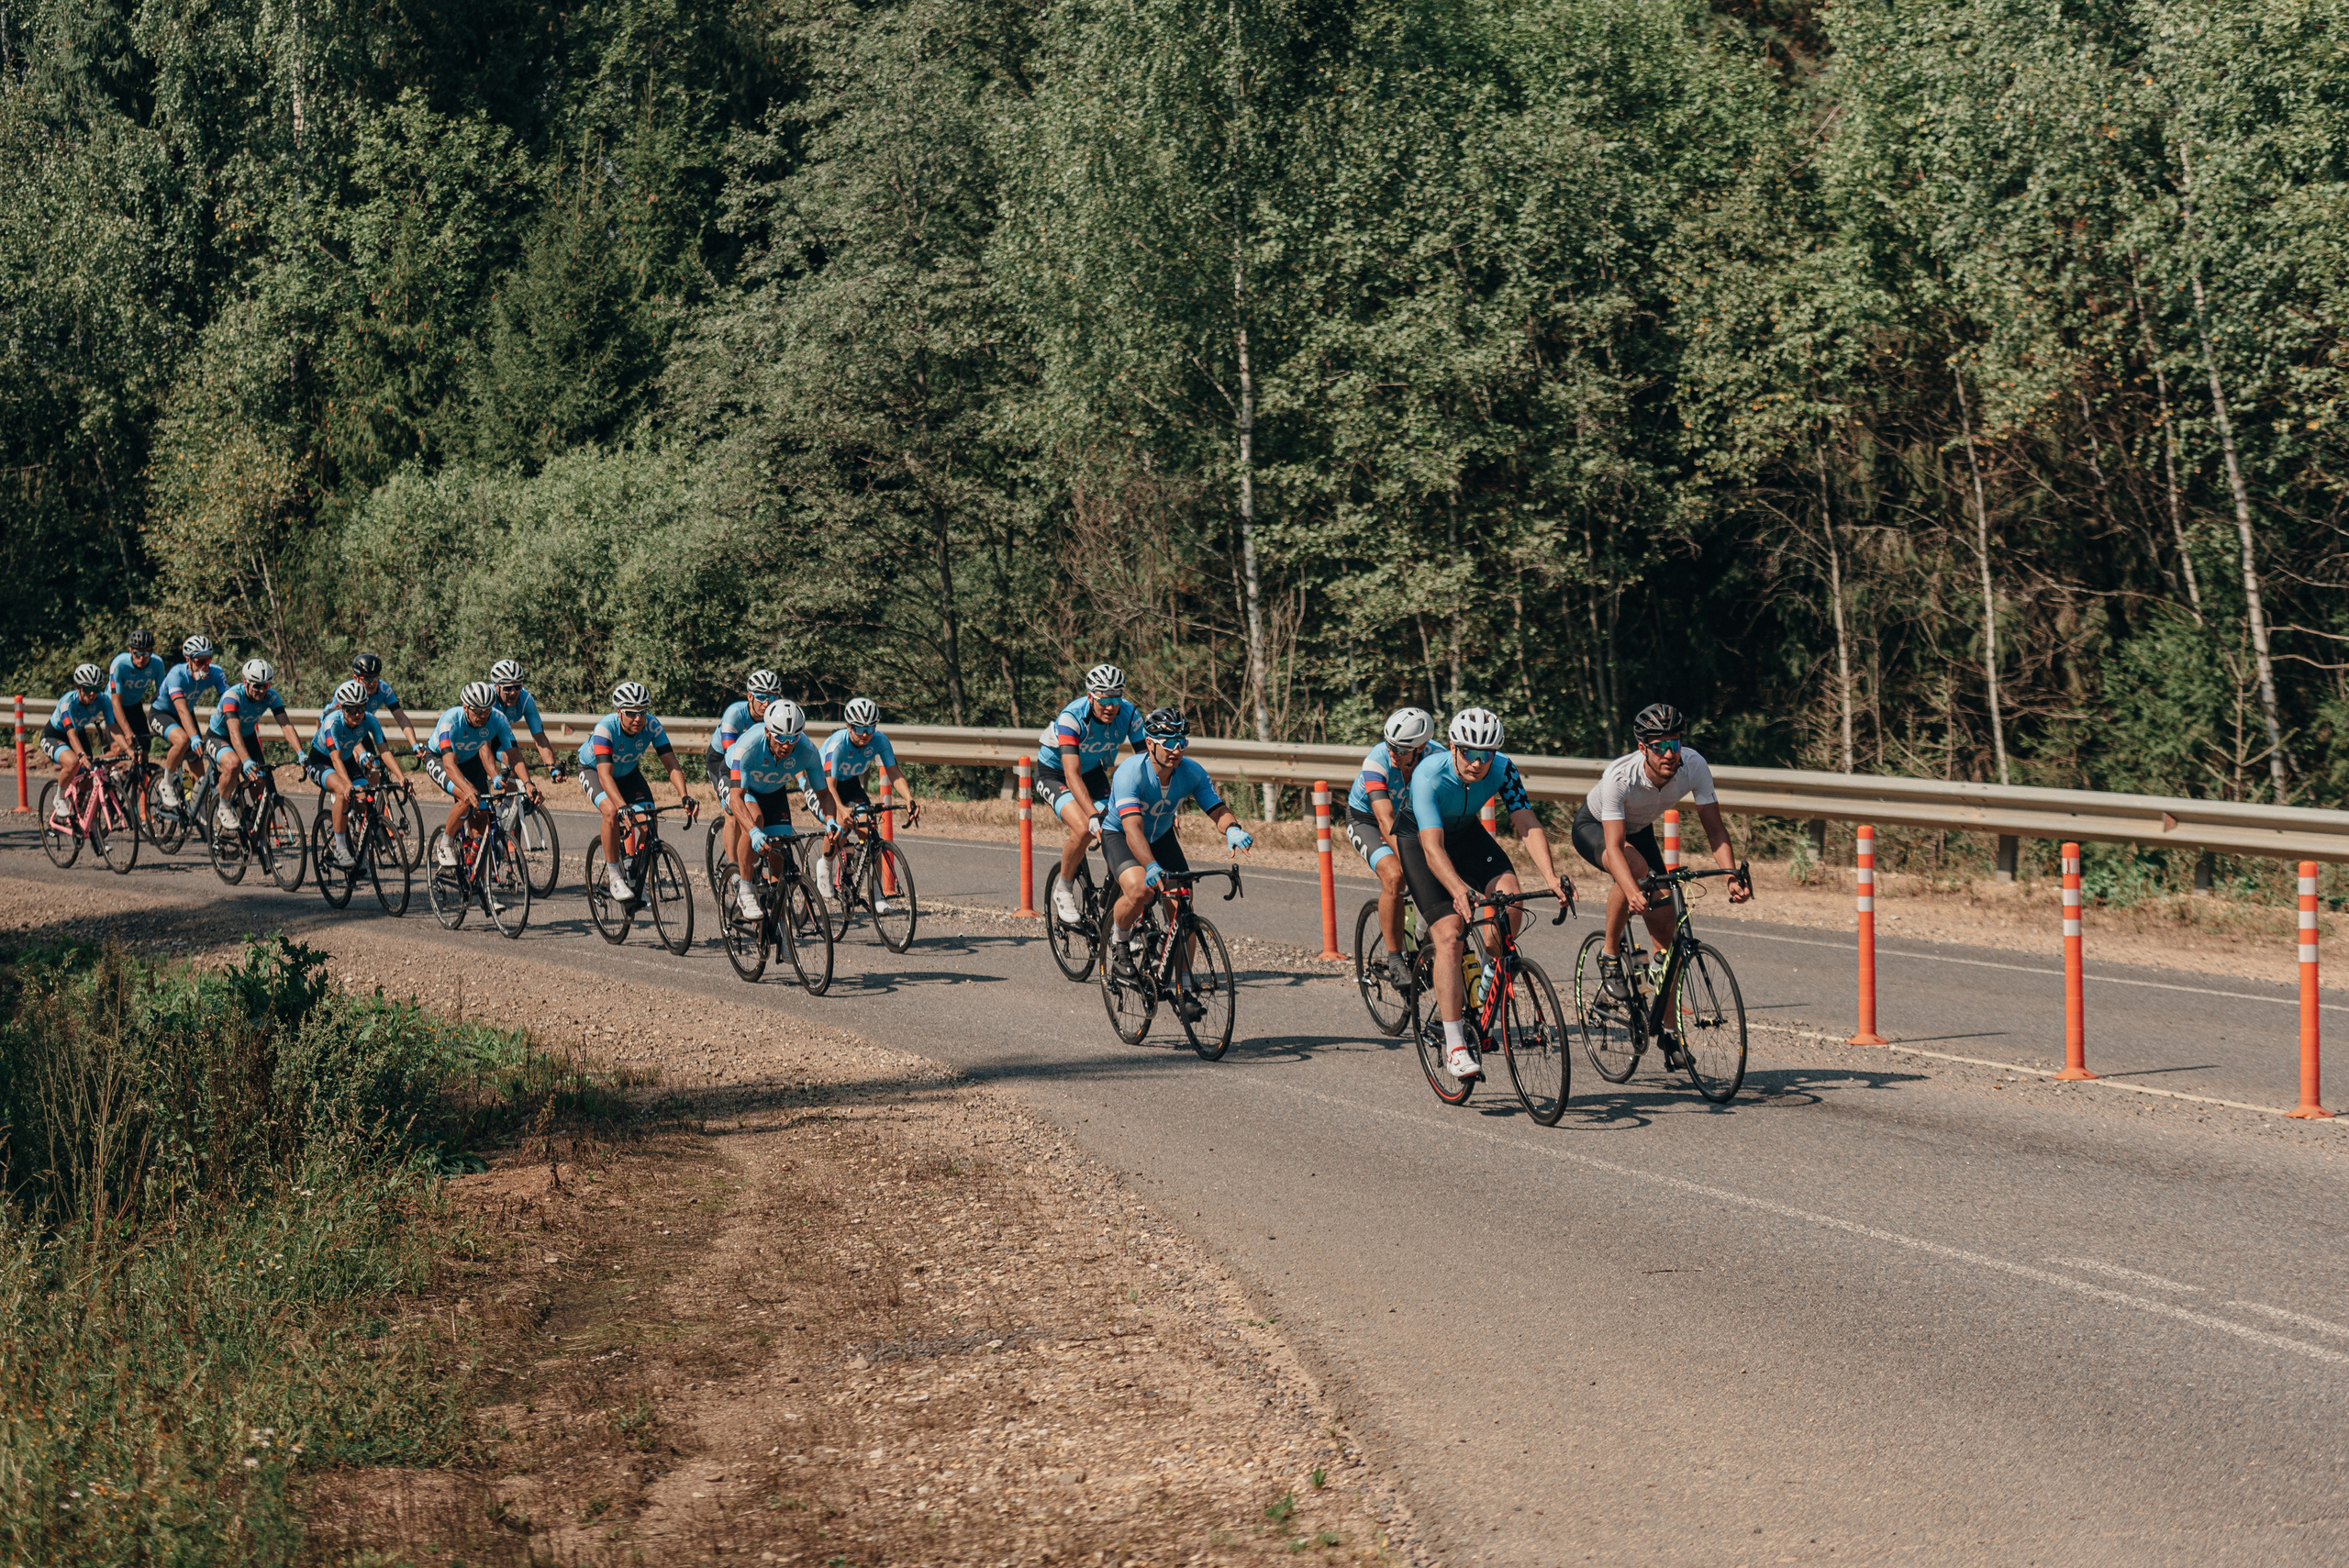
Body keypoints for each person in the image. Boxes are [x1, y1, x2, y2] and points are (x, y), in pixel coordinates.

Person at [1398, 707, 1575, 1083]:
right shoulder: (1428, 774)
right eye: (1469, 753)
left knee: (1510, 897)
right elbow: (1432, 848)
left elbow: (1525, 820)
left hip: (1465, 835)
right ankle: (1455, 1045)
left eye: (1487, 754)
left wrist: (1552, 876)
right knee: (1449, 935)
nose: (1478, 763)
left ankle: (1490, 977)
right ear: (1452, 747)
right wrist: (1459, 890)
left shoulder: (1504, 768)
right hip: (1421, 840)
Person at [1574, 703, 1750, 1018]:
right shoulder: (1620, 776)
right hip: (1596, 828)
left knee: (1668, 928)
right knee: (1634, 869)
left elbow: (1715, 830)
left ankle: (1669, 1030)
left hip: (1638, 830)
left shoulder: (1693, 765)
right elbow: (1614, 848)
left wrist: (1731, 876)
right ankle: (1610, 954)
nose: (1670, 754)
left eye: (1675, 744)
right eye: (1660, 747)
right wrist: (1631, 891)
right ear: (1643, 748)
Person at [1104, 707, 1253, 1023]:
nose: (1176, 749)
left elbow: (1216, 807)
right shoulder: (1130, 773)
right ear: (1149, 742)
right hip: (1122, 834)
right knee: (1139, 888)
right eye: (1167, 741)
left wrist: (1232, 829)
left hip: (1160, 836)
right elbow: (1132, 830)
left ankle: (1185, 989)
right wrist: (1150, 866)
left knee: (1182, 903)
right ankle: (1119, 941)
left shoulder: (1191, 772)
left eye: (1181, 741)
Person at [1040, 663, 1148, 925]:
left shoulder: (1130, 715)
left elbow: (1146, 763)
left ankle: (1116, 910)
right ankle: (1064, 888)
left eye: (1116, 699)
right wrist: (1092, 814)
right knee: (1084, 828)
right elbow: (1071, 775)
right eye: (1103, 700)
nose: (1110, 707)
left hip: (1093, 772)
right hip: (1056, 773)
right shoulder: (1071, 718)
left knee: (1125, 825)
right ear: (1090, 697)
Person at [578, 681, 695, 904]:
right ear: (618, 711)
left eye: (643, 712)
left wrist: (684, 795)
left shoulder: (652, 725)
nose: (638, 719)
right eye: (631, 713)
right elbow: (605, 776)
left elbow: (671, 764)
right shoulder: (606, 728)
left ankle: (636, 872)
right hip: (595, 771)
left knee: (649, 820)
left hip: (629, 774)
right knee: (611, 812)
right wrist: (622, 806)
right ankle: (614, 877)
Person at [1344, 706, 1436, 989]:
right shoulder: (1377, 760)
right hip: (1368, 819)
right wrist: (1413, 861)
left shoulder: (1438, 759)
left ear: (1421, 748)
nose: (1393, 752)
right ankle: (1395, 959)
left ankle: (1422, 939)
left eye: (1401, 749)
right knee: (1396, 875)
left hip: (1412, 819)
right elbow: (1385, 820)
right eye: (1390, 745)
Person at [724, 699, 828, 921]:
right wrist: (752, 832)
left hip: (774, 790)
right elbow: (736, 799)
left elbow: (824, 794)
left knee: (780, 850)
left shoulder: (807, 751)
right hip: (744, 786)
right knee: (756, 820)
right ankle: (745, 889)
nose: (787, 744)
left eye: (793, 738)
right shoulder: (748, 747)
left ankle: (780, 930)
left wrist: (831, 822)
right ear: (768, 731)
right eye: (780, 737)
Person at [818, 696, 920, 909]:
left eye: (870, 728)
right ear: (849, 726)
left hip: (851, 784)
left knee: (870, 834)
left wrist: (909, 799)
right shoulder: (838, 744)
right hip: (824, 785)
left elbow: (893, 771)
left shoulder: (880, 740)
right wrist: (841, 809)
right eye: (859, 729)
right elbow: (830, 786)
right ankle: (826, 866)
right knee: (839, 825)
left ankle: (877, 894)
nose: (865, 734)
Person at [305, 678, 411, 867]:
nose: (357, 714)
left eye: (361, 708)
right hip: (321, 760)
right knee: (341, 792)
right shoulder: (332, 723)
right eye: (351, 709)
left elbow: (384, 751)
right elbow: (335, 758)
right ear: (341, 708)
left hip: (345, 760)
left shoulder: (370, 720)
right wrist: (346, 785)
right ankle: (340, 847)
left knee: (365, 798)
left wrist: (402, 777)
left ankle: (362, 839)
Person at [426, 681, 529, 868]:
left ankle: (483, 889)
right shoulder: (450, 721)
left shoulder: (497, 719)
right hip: (440, 759)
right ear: (465, 707)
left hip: (470, 760)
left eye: (487, 710)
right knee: (466, 797)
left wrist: (528, 783)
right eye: (478, 711)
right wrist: (467, 789)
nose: (483, 716)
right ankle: (446, 842)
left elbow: (514, 754)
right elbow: (449, 765)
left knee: (482, 820)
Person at [206, 660, 305, 832]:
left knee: (260, 781)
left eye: (265, 686)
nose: (261, 691)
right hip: (220, 736)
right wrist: (245, 761)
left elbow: (286, 726)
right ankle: (223, 805)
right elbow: (234, 734)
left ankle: (252, 824)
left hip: (247, 736)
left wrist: (301, 752)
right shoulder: (232, 696)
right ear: (245, 681)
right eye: (257, 686)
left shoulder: (271, 696)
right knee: (234, 764)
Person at [710, 670, 782, 876]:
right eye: (761, 697)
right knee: (733, 812)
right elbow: (730, 756)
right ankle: (733, 871)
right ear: (750, 696)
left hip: (749, 764)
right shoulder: (735, 714)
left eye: (773, 697)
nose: (767, 703)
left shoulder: (775, 717)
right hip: (722, 760)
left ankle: (750, 864)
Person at [150, 635, 228, 810]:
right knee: (183, 740)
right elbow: (181, 710)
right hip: (162, 713)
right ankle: (166, 782)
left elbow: (228, 702)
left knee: (198, 765)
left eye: (207, 660)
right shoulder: (176, 675)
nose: (204, 666)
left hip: (186, 711)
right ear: (188, 660)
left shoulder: (215, 672)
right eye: (199, 661)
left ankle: (198, 810)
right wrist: (194, 737)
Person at [42, 664, 118, 826]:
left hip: (78, 733)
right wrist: (81, 755)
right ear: (78, 688)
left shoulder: (103, 700)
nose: (93, 693)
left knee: (89, 778)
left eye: (96, 689)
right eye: (88, 688)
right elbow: (71, 733)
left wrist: (128, 748)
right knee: (73, 762)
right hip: (55, 735)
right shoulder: (67, 702)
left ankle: (80, 814)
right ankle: (60, 797)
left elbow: (113, 728)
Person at [487, 659, 562, 784]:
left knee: (516, 765)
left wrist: (552, 768)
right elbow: (484, 745)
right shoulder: (488, 701)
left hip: (498, 736)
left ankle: (507, 803)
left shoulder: (525, 700)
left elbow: (540, 738)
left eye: (517, 687)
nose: (513, 692)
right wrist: (494, 774)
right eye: (507, 688)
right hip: (478, 738)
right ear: (496, 686)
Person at [348, 651, 424, 755]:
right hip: (339, 732)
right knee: (354, 759)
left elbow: (400, 717)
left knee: (375, 766)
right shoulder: (347, 692)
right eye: (367, 679)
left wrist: (414, 744)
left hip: (360, 729)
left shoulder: (383, 689)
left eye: (376, 678)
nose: (372, 683)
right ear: (356, 678)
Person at [106, 629, 162, 769]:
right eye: (137, 653)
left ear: (152, 651)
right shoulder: (120, 664)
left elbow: (162, 696)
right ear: (130, 650)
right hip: (113, 706)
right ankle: (98, 773)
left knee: (144, 751)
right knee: (119, 748)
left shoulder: (157, 664)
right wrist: (127, 731)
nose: (141, 658)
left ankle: (137, 789)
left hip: (135, 705)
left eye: (146, 653)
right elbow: (116, 702)